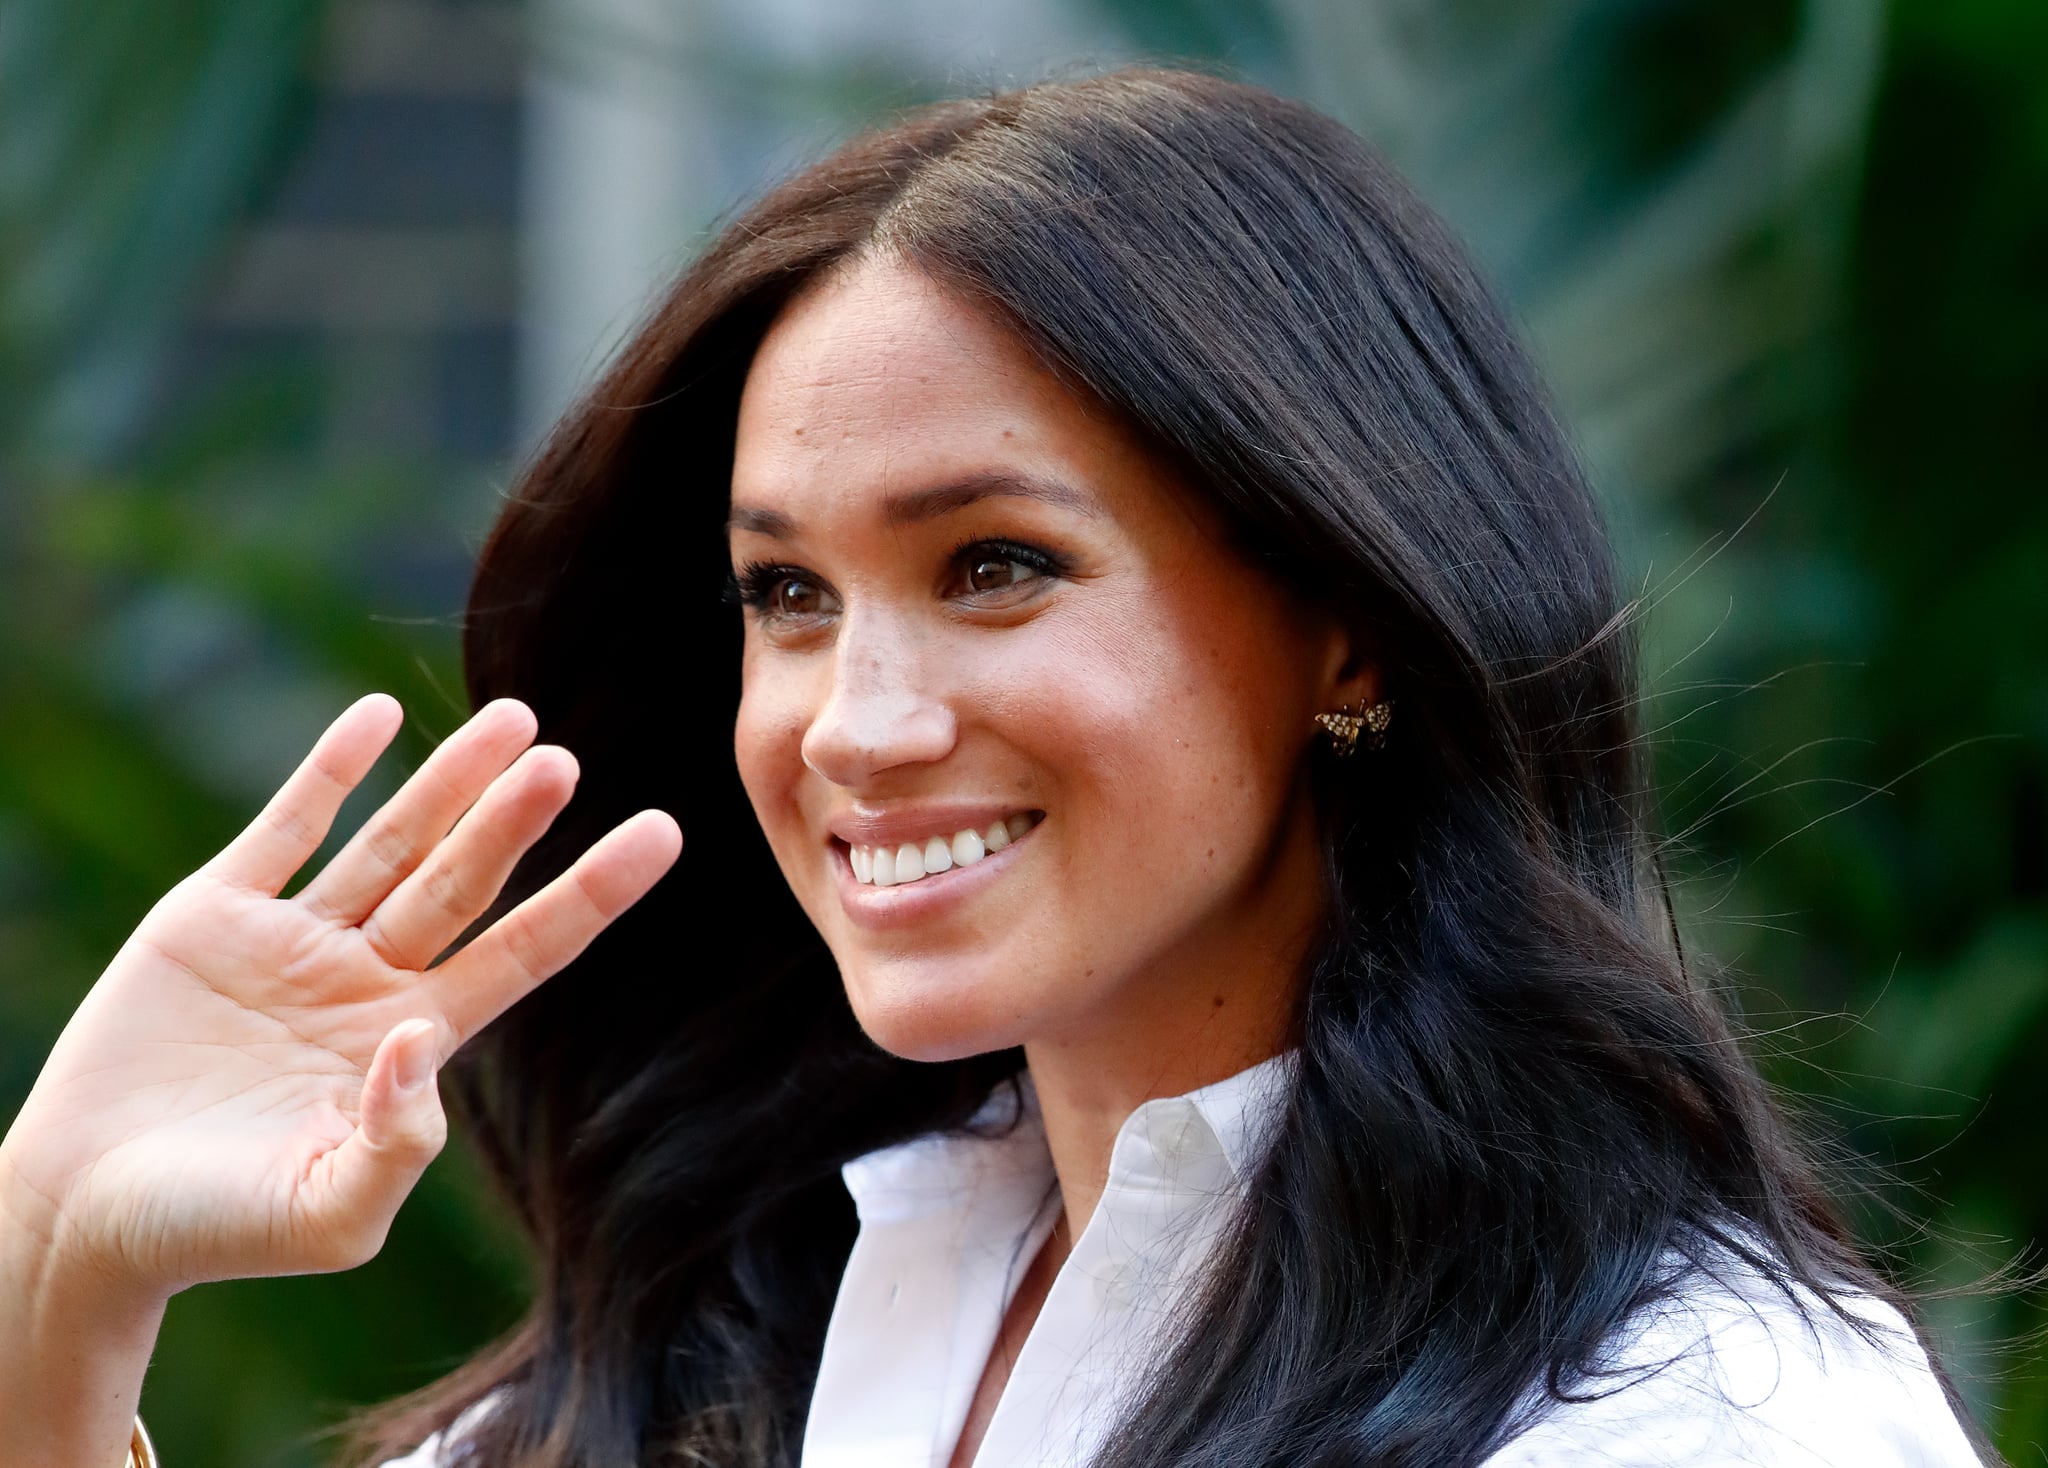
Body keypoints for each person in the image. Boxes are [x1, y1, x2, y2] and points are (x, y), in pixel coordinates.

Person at [0, 68, 1992, 1468]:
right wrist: (49, 1292)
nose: (856, 721)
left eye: (994, 566)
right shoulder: (722, 1344)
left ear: (1351, 620)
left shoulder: (1694, 1411)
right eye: (785, 590)